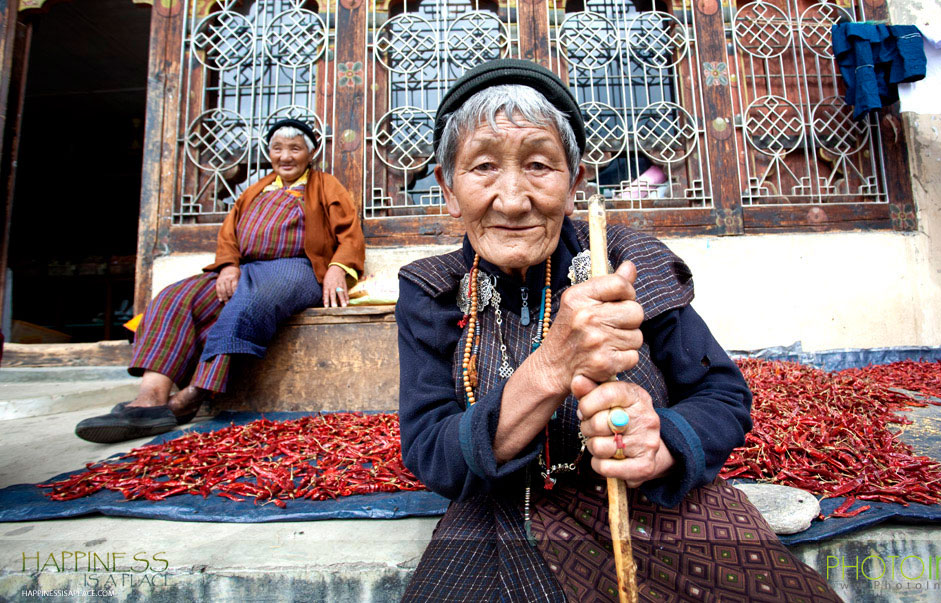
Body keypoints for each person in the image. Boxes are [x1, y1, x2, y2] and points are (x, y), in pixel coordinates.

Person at [396, 59, 840, 601]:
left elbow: (722, 395)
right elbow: (431, 452)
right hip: (504, 518)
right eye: (483, 167)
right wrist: (553, 367)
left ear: (576, 179)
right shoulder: (433, 290)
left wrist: (665, 444)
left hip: (654, 510)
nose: (512, 200)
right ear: (446, 185)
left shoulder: (631, 262)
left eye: (539, 165)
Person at [76, 119, 365, 443]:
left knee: (247, 303)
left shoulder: (325, 185)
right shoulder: (255, 189)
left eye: (295, 149)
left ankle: (193, 394)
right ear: (268, 153)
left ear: (309, 154)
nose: (285, 156)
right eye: (277, 149)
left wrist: (339, 268)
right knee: (175, 297)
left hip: (296, 267)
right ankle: (151, 399)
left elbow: (350, 233)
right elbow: (228, 236)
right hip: (245, 268)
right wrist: (228, 266)